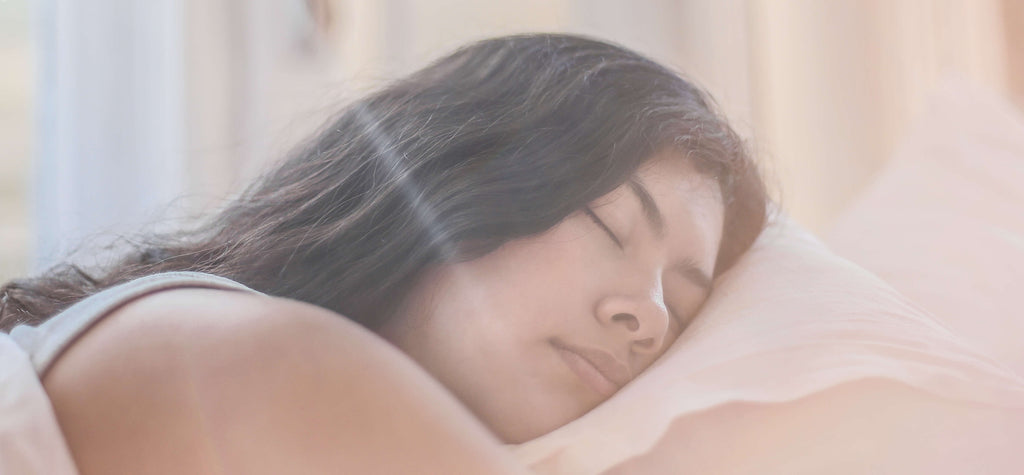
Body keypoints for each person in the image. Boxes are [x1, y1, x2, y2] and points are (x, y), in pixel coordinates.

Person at [0, 34, 767, 473]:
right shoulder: (262, 355)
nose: (648, 314)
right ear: (453, 172)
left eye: (685, 304)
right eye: (607, 225)